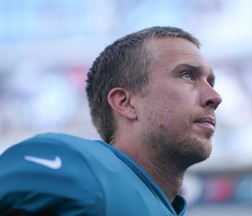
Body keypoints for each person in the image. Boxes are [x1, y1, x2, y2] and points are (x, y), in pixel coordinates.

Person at [0, 26, 222, 216]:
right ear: (125, 103)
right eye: (187, 75)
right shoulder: (79, 163)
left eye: (211, 81)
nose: (215, 97)